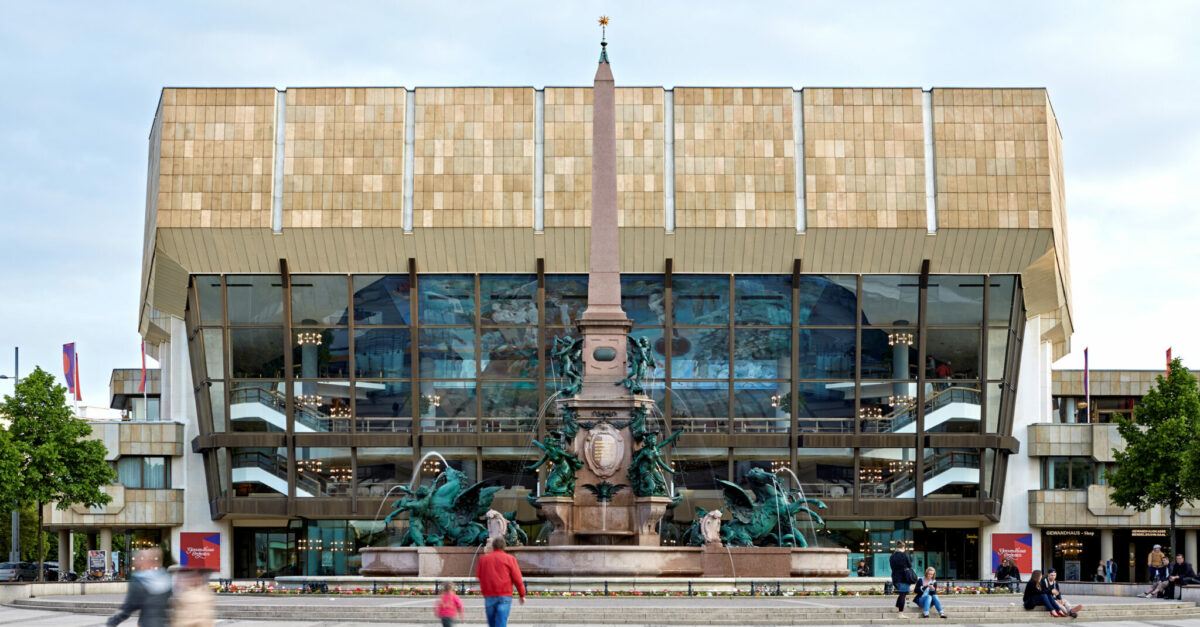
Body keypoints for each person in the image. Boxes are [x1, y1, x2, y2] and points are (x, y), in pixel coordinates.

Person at [107, 548, 173, 627]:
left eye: (139, 560)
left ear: (146, 562)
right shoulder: (167, 578)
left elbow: (127, 608)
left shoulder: (140, 581)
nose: (136, 563)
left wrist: (112, 622)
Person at [475, 537, 526, 627]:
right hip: (505, 595)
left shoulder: (483, 559)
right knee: (501, 622)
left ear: (493, 546)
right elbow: (517, 579)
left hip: (489, 595)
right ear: (504, 547)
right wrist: (522, 594)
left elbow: (478, 577)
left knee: (492, 624)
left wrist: (485, 589)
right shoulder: (510, 559)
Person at [889, 548, 914, 618]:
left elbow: (892, 567)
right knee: (903, 595)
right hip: (903, 578)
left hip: (895, 578)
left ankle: (897, 607)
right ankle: (900, 613)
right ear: (903, 548)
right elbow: (910, 565)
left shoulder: (892, 556)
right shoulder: (904, 555)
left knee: (902, 594)